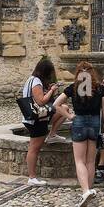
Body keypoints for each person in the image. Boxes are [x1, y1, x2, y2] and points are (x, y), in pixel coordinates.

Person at [22, 58, 70, 186]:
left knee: (63, 109)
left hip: (38, 117)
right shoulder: (36, 82)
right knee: (34, 148)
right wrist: (51, 91)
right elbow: (41, 101)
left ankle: (52, 135)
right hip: (35, 119)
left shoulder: (32, 80)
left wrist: (48, 89)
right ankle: (32, 177)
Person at [68, 61, 104, 207]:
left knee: (79, 161)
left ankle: (85, 191)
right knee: (90, 161)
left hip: (79, 123)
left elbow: (56, 104)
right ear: (92, 73)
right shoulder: (100, 89)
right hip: (95, 123)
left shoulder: (73, 88)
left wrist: (69, 116)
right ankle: (89, 189)